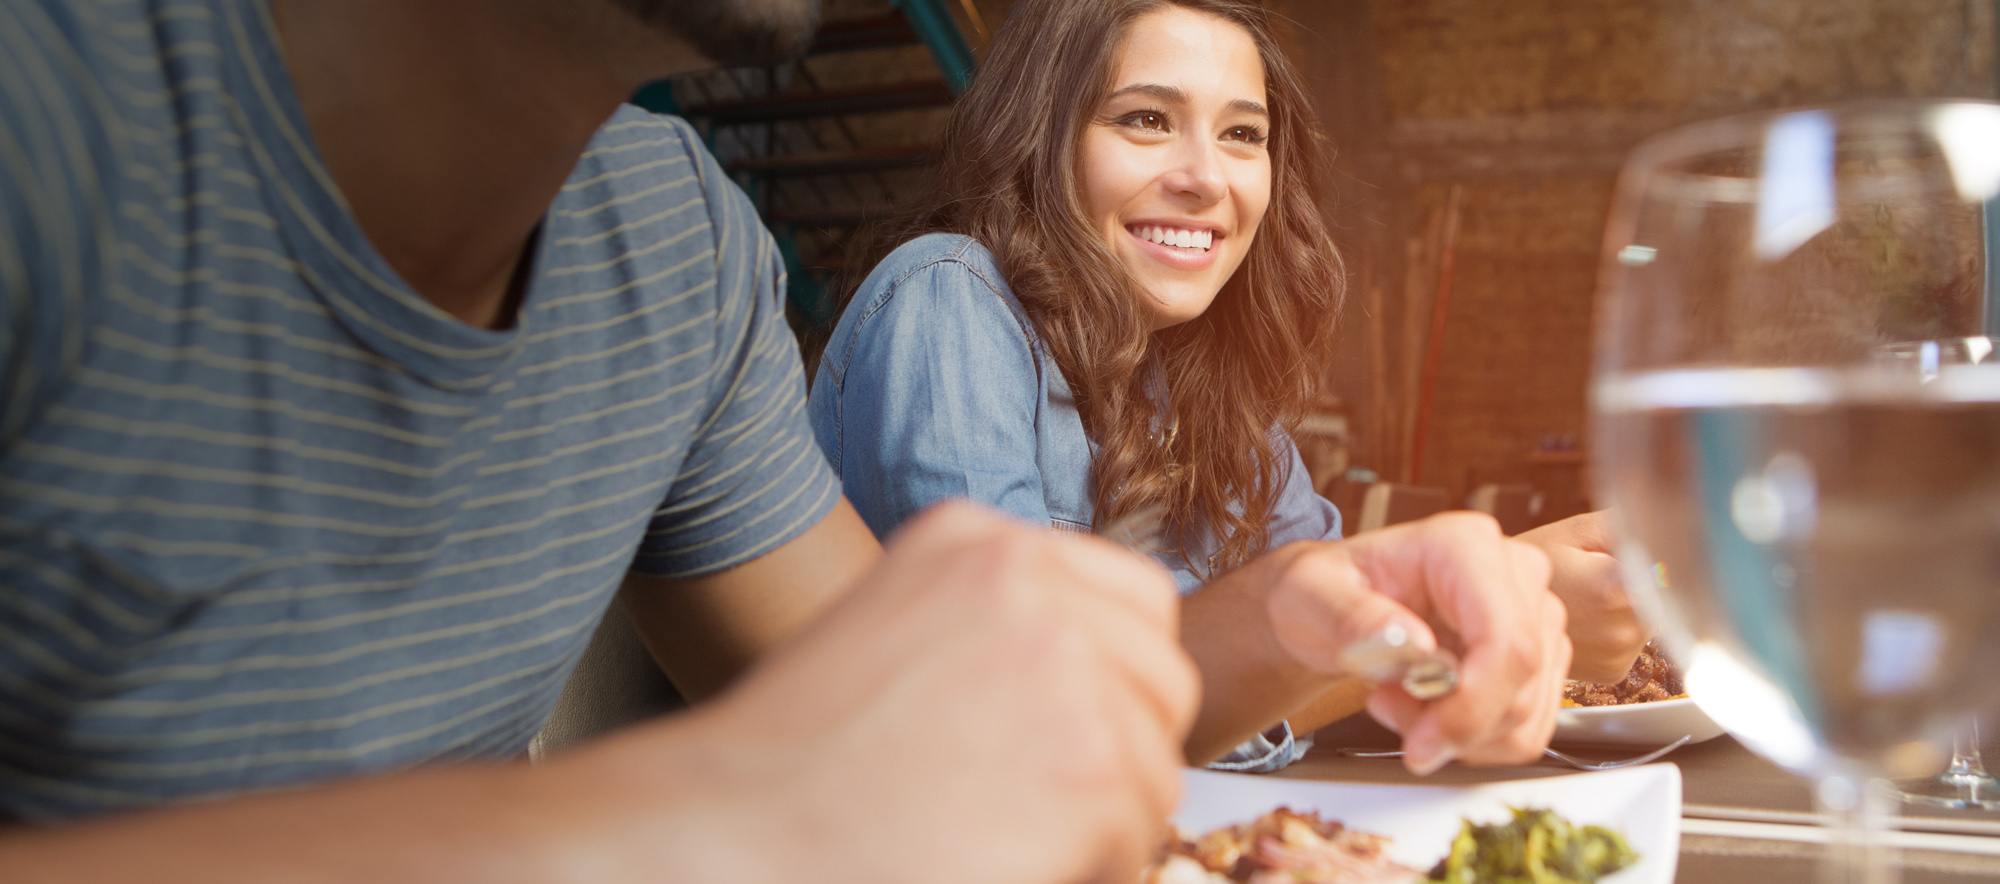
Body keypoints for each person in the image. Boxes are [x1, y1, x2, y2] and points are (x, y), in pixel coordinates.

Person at [0, 1, 1204, 880]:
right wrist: (707, 815)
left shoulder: (673, 239)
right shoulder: (48, 111)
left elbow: (950, 759)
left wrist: (1290, 614)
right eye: (1147, 117)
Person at [809, 0, 1640, 774]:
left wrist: (1493, 631)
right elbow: (1042, 719)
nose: (1207, 177)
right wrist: (1472, 605)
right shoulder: (948, 298)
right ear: (1041, 137)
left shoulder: (1209, 386)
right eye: (1145, 120)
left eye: (1243, 135)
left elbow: (1329, 644)